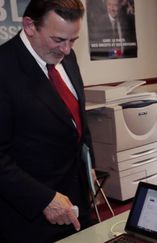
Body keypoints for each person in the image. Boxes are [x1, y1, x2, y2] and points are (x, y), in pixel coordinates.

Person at [0, 0, 95, 242]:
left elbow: (77, 121)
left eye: (73, 40)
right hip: (30, 216)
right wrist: (43, 199)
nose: (66, 50)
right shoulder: (4, 67)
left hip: (77, 203)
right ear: (30, 26)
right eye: (59, 40)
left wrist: (89, 163)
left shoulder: (67, 58)